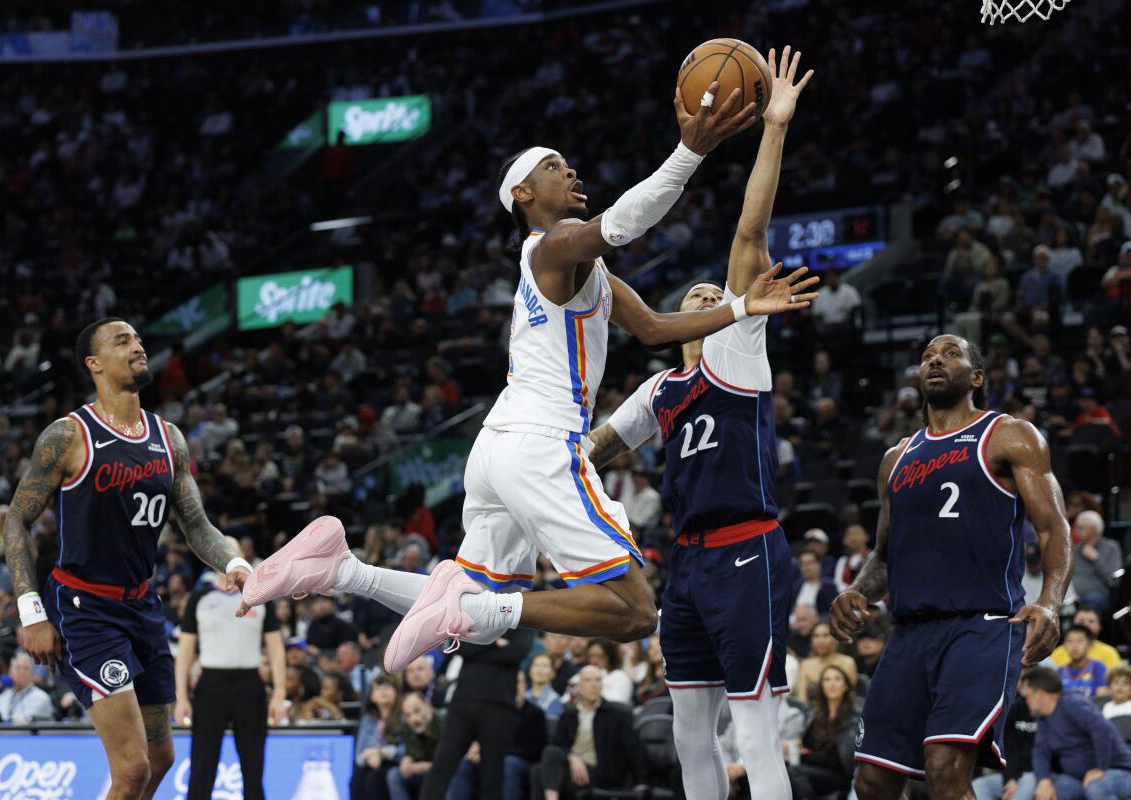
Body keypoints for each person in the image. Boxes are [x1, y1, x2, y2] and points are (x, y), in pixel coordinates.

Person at [238, 59, 818, 672]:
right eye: (551, 165)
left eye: (566, 163)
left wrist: (742, 306)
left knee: (483, 609)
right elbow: (620, 226)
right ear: (522, 195)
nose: (569, 169)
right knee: (634, 612)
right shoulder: (549, 248)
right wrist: (688, 153)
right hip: (543, 442)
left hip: (498, 448)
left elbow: (654, 328)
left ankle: (340, 568)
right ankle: (473, 609)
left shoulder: (580, 271)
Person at [584, 46, 815, 800]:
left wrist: (773, 127)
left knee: (751, 725)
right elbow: (593, 447)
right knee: (688, 727)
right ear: (677, 317)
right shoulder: (659, 391)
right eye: (698, 294)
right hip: (685, 563)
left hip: (749, 548)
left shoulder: (739, 351)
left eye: (719, 293)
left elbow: (750, 235)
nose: (711, 295)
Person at [0, 318, 250, 800]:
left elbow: (195, 524)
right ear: (93, 364)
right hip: (85, 609)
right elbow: (15, 520)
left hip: (143, 607)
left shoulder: (168, 437)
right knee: (133, 769)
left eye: (137, 339)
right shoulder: (68, 435)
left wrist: (234, 564)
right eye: (122, 341)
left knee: (161, 760)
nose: (137, 347)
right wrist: (31, 610)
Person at [831, 334, 1073, 798]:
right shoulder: (895, 459)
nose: (935, 361)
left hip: (980, 626)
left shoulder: (1009, 434)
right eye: (926, 357)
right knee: (873, 782)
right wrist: (857, 591)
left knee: (945, 769)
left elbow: (1053, 528)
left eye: (950, 354)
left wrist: (1050, 602)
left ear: (976, 377)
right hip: (909, 634)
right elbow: (884, 556)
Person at [174, 537, 287, 800]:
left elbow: (276, 648)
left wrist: (280, 692)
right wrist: (181, 697)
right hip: (210, 686)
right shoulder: (199, 599)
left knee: (253, 768)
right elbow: (186, 652)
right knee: (202, 767)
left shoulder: (260, 597)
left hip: (250, 685)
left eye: (232, 552)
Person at [419, 626, 536, 799]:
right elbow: (461, 646)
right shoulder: (476, 612)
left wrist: (480, 644)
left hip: (499, 705)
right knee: (441, 766)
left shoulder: (521, 618)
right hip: (462, 702)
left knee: (492, 774)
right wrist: (496, 643)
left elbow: (518, 651)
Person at [530, 666, 646, 799]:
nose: (594, 685)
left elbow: (634, 749)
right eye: (588, 681)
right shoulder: (569, 713)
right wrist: (572, 757)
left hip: (600, 773)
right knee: (539, 768)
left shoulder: (617, 714)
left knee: (540, 772)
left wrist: (641, 782)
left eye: (597, 680)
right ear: (579, 686)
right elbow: (558, 745)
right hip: (572, 769)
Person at [1017, 667, 1131, 800]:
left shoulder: (1072, 704)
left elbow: (1101, 730)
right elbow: (1040, 751)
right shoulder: (1043, 717)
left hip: (1116, 770)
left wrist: (1100, 768)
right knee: (1053, 793)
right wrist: (1044, 780)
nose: (1026, 700)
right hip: (1077, 778)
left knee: (1096, 788)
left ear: (1040, 694)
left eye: (1028, 694)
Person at [787, 665, 861, 800]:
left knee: (795, 772)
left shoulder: (855, 717)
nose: (832, 683)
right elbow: (807, 746)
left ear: (845, 686)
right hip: (812, 770)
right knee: (787, 772)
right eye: (827, 680)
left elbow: (849, 757)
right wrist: (801, 748)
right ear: (821, 686)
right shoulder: (814, 715)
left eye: (837, 679)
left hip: (839, 774)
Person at [971, 673, 1038, 800]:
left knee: (1029, 781)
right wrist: (1010, 778)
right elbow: (1008, 748)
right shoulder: (1013, 709)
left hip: (1036, 773)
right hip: (1013, 772)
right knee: (978, 786)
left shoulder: (1049, 713)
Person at [352, 675, 404, 799]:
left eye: (388, 686)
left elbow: (405, 749)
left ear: (397, 692)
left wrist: (383, 753)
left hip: (393, 762)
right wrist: (367, 756)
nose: (383, 691)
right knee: (357, 777)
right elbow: (358, 754)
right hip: (371, 762)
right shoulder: (367, 719)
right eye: (378, 688)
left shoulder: (404, 716)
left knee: (375, 779)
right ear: (371, 696)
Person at [388, 692, 443, 800]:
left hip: (443, 774)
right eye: (408, 715)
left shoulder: (444, 721)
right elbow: (411, 753)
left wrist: (424, 767)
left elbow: (450, 763)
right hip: (421, 773)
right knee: (394, 775)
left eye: (417, 711)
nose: (414, 719)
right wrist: (407, 759)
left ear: (428, 706)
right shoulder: (407, 727)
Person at [1070, 511, 1121, 614]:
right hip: (1071, 595)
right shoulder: (1073, 549)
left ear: (1094, 530)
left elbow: (1114, 580)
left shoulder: (1111, 548)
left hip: (1096, 596)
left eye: (1081, 528)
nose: (1075, 531)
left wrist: (1096, 559)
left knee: (1092, 600)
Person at [796, 622, 858, 704]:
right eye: (816, 636)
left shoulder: (848, 663)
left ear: (836, 638)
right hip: (812, 714)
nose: (820, 641)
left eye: (825, 635)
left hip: (843, 712)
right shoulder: (806, 665)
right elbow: (802, 699)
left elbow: (851, 697)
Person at [0, 653, 54, 723]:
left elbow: (25, 723)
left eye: (26, 668)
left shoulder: (41, 698)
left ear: (32, 674)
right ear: (10, 672)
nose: (21, 672)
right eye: (18, 668)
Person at [1057, 625, 1108, 699]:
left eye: (1079, 641)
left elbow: (1102, 695)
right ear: (1064, 645)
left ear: (1090, 645)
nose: (1074, 646)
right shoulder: (1059, 672)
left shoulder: (1098, 668)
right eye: (1070, 641)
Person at [793, 549, 837, 616]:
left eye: (809, 562)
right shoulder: (796, 586)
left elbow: (833, 612)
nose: (806, 567)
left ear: (819, 564)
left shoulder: (828, 586)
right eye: (802, 564)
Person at [526, 652, 565, 725]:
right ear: (530, 670)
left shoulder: (555, 700)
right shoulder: (523, 697)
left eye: (545, 666)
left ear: (553, 673)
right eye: (536, 665)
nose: (540, 670)